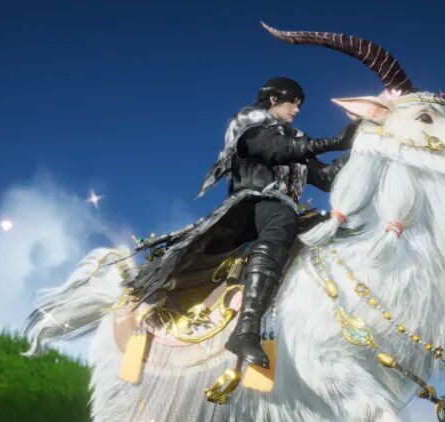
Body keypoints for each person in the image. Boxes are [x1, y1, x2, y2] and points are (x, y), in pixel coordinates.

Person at [124, 76, 358, 369]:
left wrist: (362, 148)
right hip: (251, 206)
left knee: (325, 227)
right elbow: (277, 149)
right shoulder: (249, 125)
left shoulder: (297, 142)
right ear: (274, 99)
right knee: (283, 215)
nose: (297, 110)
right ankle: (246, 331)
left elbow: (325, 178)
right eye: (293, 102)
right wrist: (336, 141)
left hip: (281, 210)